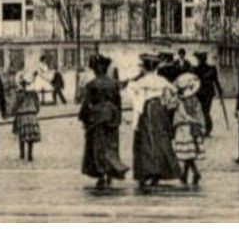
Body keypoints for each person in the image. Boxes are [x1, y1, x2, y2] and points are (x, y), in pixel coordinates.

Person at [128, 52, 180, 190]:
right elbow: (174, 89)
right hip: (160, 110)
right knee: (161, 141)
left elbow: (137, 100)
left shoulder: (143, 82)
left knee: (146, 141)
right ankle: (160, 170)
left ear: (145, 68)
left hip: (148, 110)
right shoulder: (161, 80)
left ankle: (148, 172)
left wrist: (135, 122)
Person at [78, 54, 127, 190]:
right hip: (111, 116)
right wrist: (118, 118)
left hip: (97, 117)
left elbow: (86, 103)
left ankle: (101, 174)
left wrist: (83, 118)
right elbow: (118, 102)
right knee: (111, 146)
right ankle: (110, 172)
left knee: (97, 147)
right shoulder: (114, 84)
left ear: (96, 70)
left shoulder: (91, 84)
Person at [169, 73, 205, 187]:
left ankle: (194, 172)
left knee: (187, 153)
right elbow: (200, 114)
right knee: (190, 152)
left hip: (184, 127)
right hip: (194, 127)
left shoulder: (180, 101)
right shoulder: (196, 100)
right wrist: (200, 125)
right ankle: (185, 174)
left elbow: (179, 112)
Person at [11, 74, 41, 162]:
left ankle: (22, 154)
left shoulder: (20, 93)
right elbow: (38, 105)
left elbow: (16, 104)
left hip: (22, 114)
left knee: (22, 135)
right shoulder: (34, 93)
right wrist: (35, 110)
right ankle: (30, 155)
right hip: (32, 114)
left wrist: (13, 112)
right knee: (30, 135)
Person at [191, 50, 222, 137]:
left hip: (201, 93)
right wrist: (219, 90)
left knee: (202, 111)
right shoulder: (211, 69)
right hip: (207, 93)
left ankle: (205, 129)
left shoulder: (196, 69)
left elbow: (193, 82)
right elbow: (216, 81)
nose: (199, 60)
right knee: (206, 111)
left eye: (199, 59)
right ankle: (207, 129)